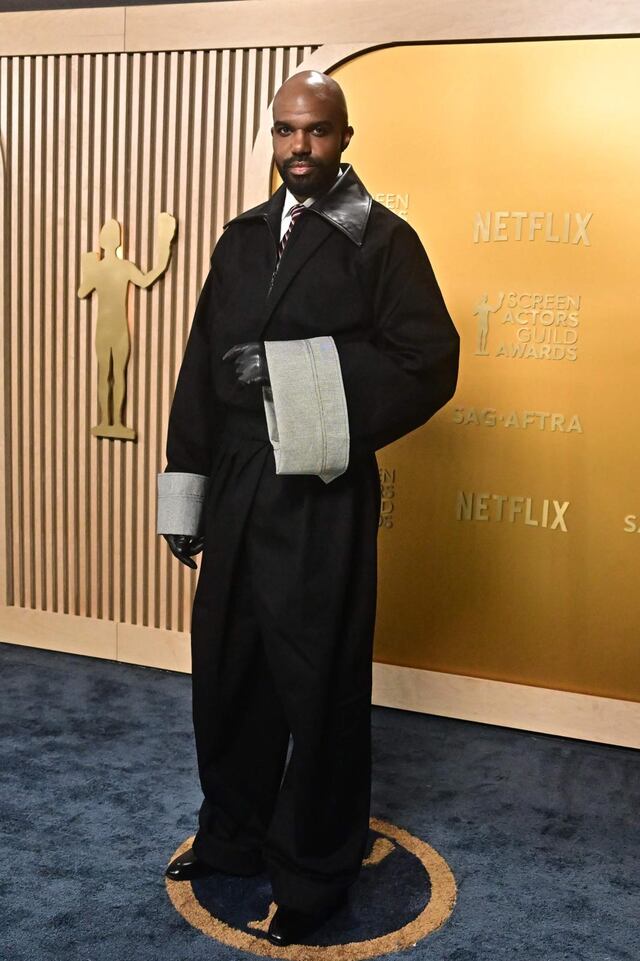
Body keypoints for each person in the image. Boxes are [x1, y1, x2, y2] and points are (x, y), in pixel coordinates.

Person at [156, 69, 459, 946]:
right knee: (229, 667)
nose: (300, 147)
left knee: (317, 687)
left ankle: (316, 875)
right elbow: (200, 369)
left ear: (346, 136)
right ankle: (232, 835)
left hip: (322, 490)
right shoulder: (241, 239)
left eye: (317, 132)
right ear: (273, 135)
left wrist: (289, 376)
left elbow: (426, 362)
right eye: (287, 131)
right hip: (242, 482)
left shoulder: (384, 243)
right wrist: (189, 489)